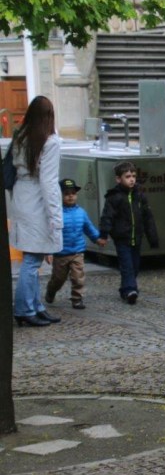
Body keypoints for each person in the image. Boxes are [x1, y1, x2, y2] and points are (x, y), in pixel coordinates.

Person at [8, 96, 63, 327]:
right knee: (32, 261)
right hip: (37, 202)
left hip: (22, 197)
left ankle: (36, 306)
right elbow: (48, 183)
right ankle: (25, 309)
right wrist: (56, 218)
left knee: (33, 258)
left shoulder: (20, 137)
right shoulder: (50, 141)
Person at [99, 161, 159, 304]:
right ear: (118, 179)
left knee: (135, 266)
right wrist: (103, 234)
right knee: (127, 266)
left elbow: (148, 217)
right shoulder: (114, 197)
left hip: (136, 237)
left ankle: (125, 289)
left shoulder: (140, 195)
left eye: (133, 176)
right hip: (122, 238)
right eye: (127, 176)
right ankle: (131, 290)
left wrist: (153, 238)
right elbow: (107, 217)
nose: (131, 179)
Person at [45, 179, 107, 310]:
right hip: (60, 254)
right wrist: (48, 251)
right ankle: (51, 290)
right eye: (66, 193)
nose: (70, 196)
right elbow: (50, 233)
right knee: (58, 279)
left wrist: (97, 238)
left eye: (73, 193)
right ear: (59, 195)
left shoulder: (81, 212)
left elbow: (88, 228)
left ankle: (77, 299)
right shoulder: (56, 214)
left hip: (77, 252)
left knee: (78, 278)